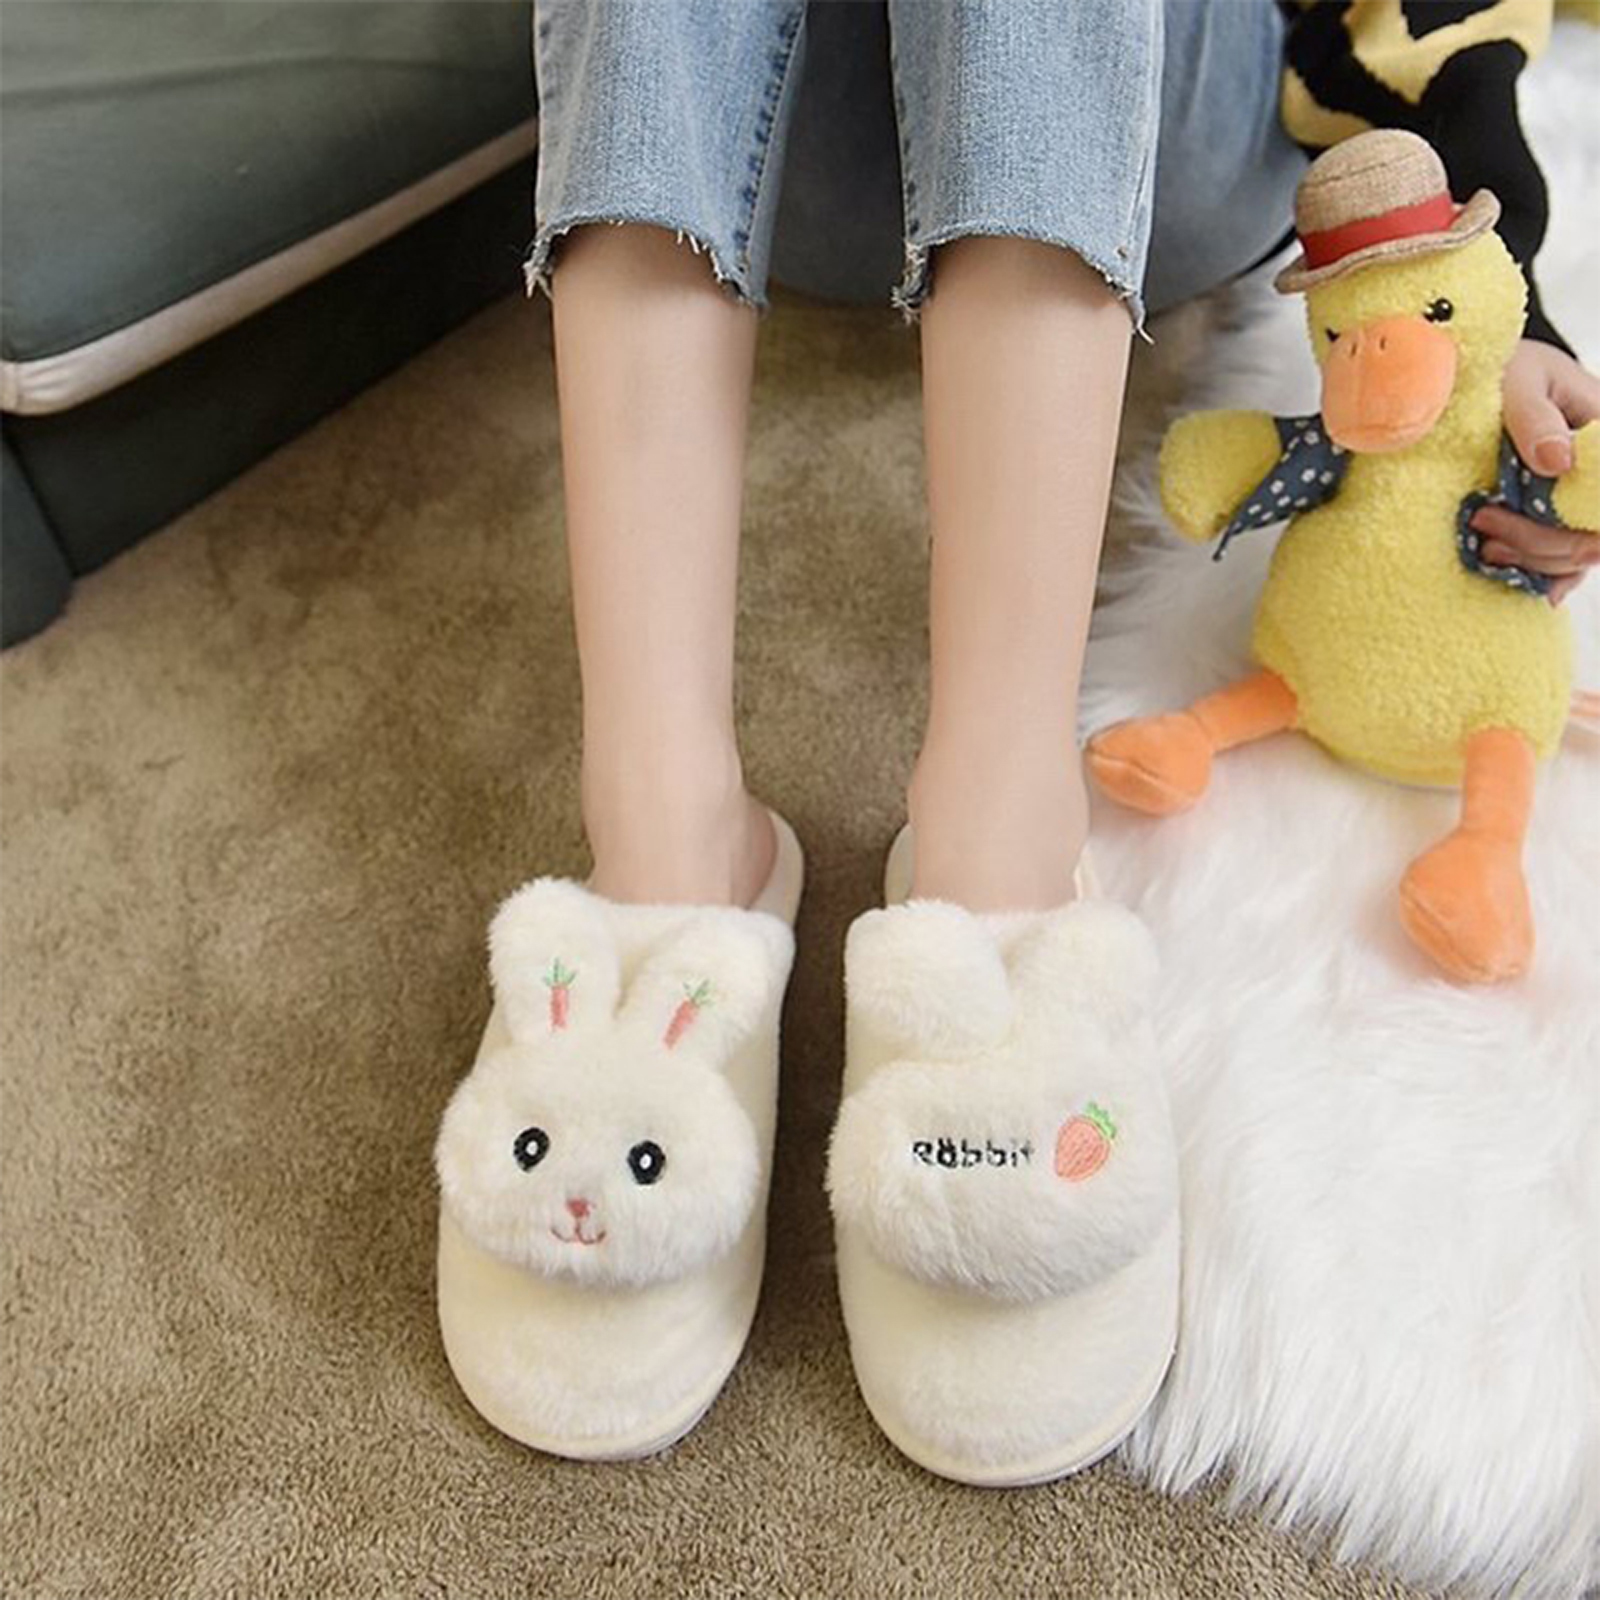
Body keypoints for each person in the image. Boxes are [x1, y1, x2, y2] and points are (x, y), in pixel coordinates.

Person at [432, 0, 1598, 1476]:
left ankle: (998, 829)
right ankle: (665, 834)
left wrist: (1496, 295)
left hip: (1155, 124)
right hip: (787, 132)